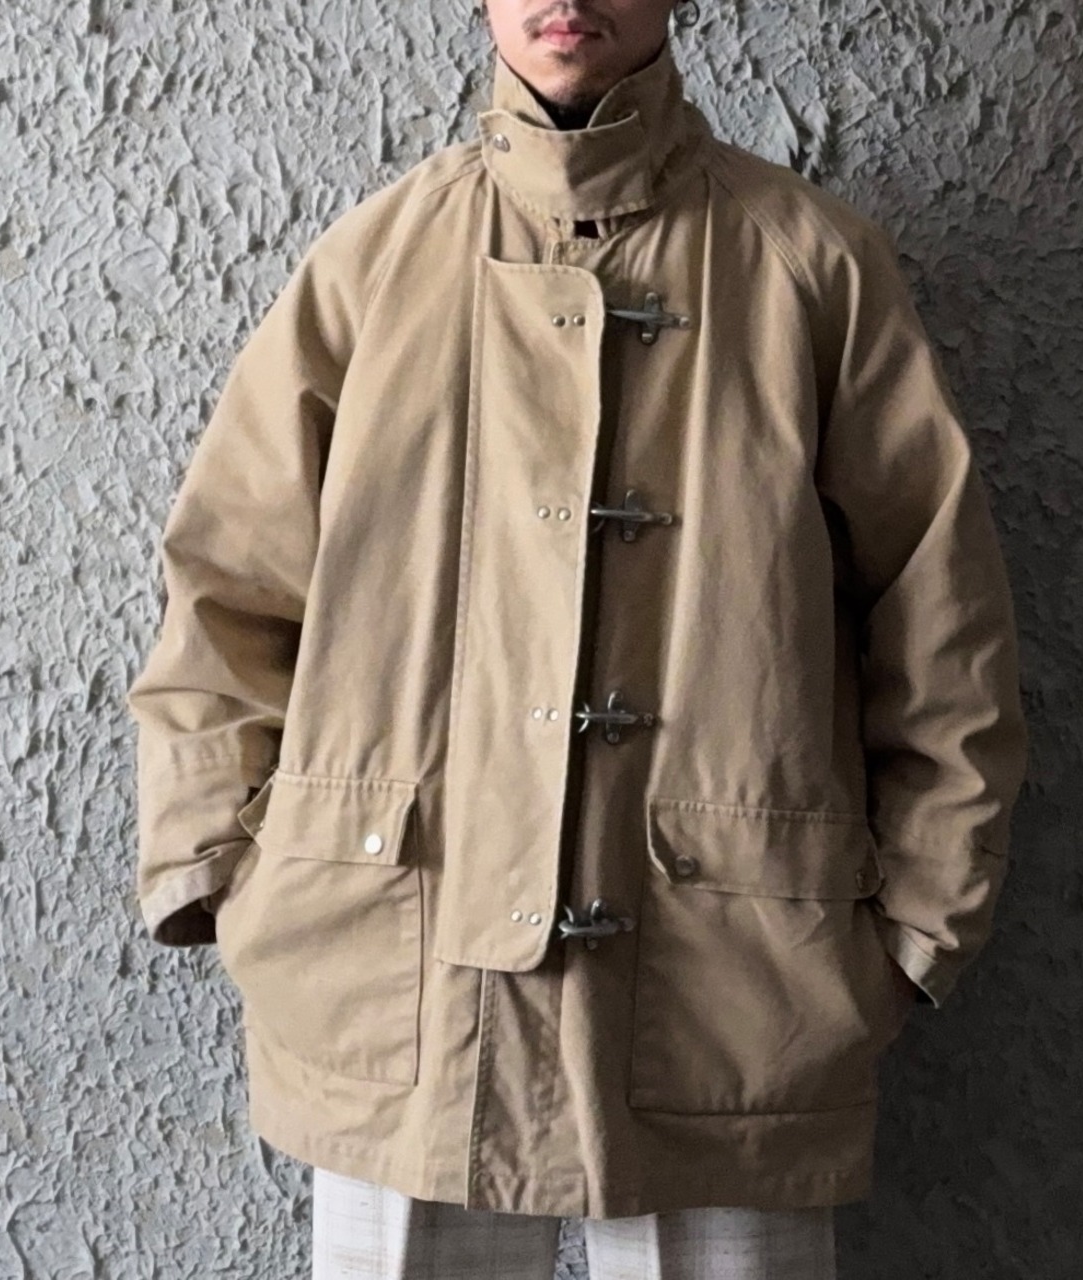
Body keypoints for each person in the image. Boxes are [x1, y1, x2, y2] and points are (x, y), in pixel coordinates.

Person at [126, 1, 1028, 1276]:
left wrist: (917, 926)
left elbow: (941, 627)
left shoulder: (810, 268)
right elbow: (227, 595)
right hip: (394, 973)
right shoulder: (372, 265)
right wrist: (223, 868)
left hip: (737, 994)